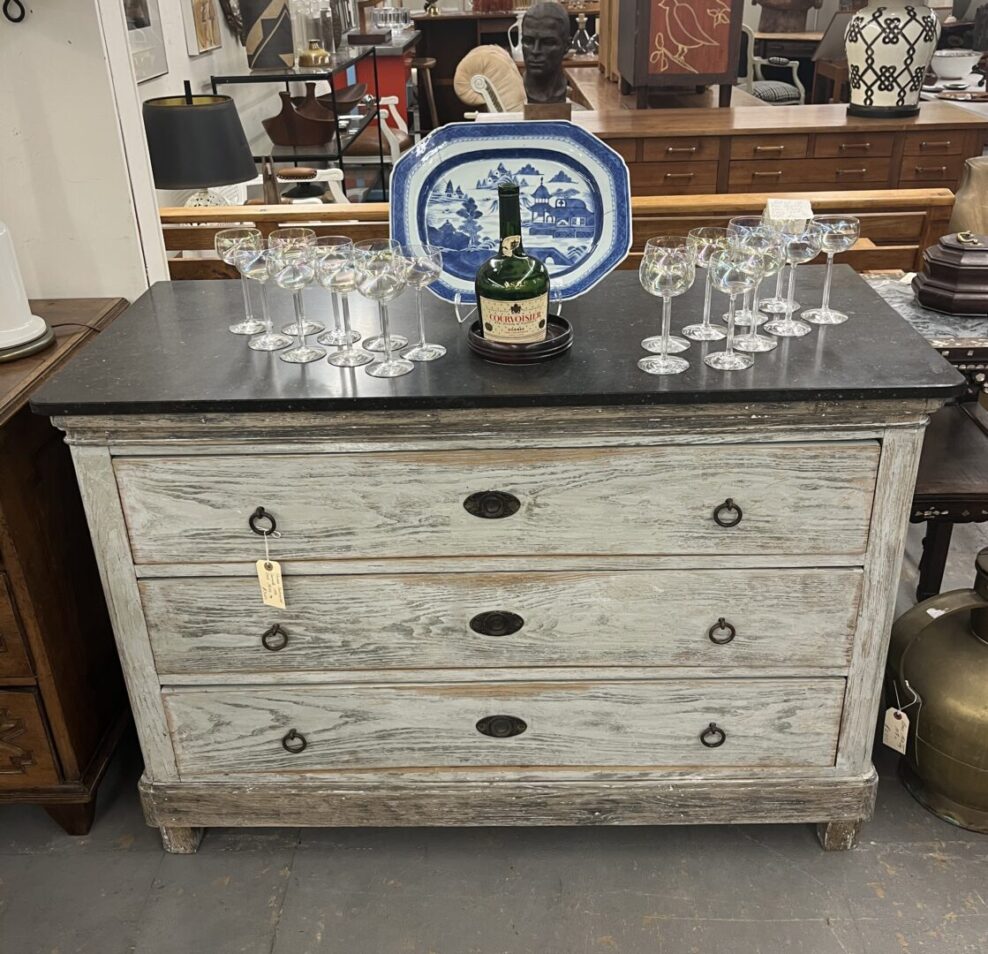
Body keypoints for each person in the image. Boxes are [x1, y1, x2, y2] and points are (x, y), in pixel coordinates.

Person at [521, 2, 570, 104]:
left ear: (566, 46)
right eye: (528, 41)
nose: (535, 51)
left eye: (547, 43)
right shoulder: (511, 96)